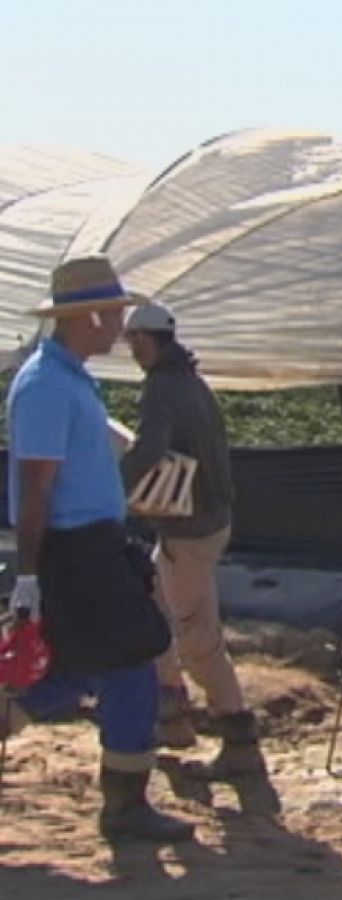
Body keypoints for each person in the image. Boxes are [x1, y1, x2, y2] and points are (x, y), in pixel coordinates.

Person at [3, 257, 194, 843]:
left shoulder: (69, 378)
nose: (119, 325)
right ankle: (125, 807)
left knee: (80, 670)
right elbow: (37, 486)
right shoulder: (45, 385)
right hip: (75, 551)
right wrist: (30, 577)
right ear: (86, 316)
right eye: (112, 314)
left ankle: (123, 800)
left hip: (92, 545)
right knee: (130, 664)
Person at [119, 302, 262, 777]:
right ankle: (172, 713)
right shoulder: (191, 381)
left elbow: (151, 450)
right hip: (207, 522)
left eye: (131, 339)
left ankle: (237, 733)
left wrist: (113, 486)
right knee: (156, 611)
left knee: (198, 638)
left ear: (145, 339)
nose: (129, 348)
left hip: (189, 532)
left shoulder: (162, 387)